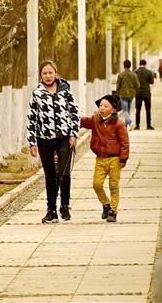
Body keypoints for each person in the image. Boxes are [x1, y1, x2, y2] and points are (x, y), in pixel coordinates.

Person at [27, 60, 79, 224]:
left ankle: (65, 206)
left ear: (55, 73)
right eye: (44, 73)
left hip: (64, 138)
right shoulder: (37, 94)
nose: (48, 76)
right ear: (41, 75)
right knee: (50, 176)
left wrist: (74, 134)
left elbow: (74, 113)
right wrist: (32, 142)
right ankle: (51, 210)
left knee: (64, 173)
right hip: (45, 140)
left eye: (50, 72)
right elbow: (32, 119)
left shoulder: (66, 91)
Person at [81, 94, 129, 223]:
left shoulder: (119, 124)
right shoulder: (95, 120)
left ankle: (113, 210)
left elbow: (125, 142)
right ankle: (106, 204)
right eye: (100, 105)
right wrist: (71, 118)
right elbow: (83, 121)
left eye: (105, 106)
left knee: (114, 185)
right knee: (97, 184)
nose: (102, 108)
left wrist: (123, 158)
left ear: (113, 109)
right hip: (100, 159)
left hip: (115, 159)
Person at [115, 60, 139, 130]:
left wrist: (118, 92)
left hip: (123, 95)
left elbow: (118, 85)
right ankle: (126, 124)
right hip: (131, 95)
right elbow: (137, 85)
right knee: (128, 110)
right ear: (130, 65)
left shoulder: (121, 75)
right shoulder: (134, 75)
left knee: (125, 110)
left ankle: (130, 122)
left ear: (124, 66)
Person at [134, 59, 156, 130]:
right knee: (148, 109)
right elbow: (152, 82)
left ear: (139, 64)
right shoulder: (149, 72)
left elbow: (133, 83)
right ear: (145, 64)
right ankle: (148, 125)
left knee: (138, 110)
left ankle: (137, 125)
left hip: (138, 93)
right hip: (146, 92)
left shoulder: (135, 72)